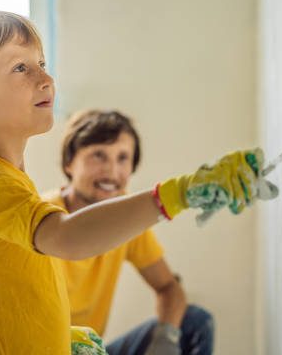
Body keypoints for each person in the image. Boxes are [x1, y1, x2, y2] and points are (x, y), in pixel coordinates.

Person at [0, 10, 277, 354]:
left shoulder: (6, 179)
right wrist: (181, 192)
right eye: (20, 68)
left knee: (193, 322)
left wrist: (62, 339)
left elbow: (14, 298)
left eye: (41, 64)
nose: (46, 79)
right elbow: (68, 237)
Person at [43, 109, 214, 355]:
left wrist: (166, 339)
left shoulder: (125, 219)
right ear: (69, 162)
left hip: (93, 351)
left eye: (123, 158)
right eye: (98, 155)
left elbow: (169, 287)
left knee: (194, 322)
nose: (112, 171)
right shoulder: (43, 219)